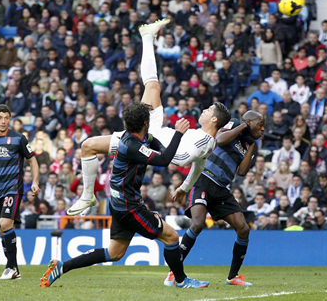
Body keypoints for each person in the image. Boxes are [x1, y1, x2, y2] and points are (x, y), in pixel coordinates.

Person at [67, 19, 231, 216]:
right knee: (153, 86)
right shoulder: (206, 141)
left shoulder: (204, 140)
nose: (204, 110)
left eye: (209, 110)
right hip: (155, 131)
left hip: (146, 138)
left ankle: (87, 196)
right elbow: (199, 166)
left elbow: (180, 159)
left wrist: (163, 140)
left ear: (214, 120)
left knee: (88, 145)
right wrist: (185, 188)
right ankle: (147, 35)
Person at [40, 103, 209, 288]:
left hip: (120, 204)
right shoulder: (132, 146)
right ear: (145, 122)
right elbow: (163, 160)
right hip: (130, 208)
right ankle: (181, 281)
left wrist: (162, 148)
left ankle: (62, 267)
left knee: (114, 253)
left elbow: (154, 142)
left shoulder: (136, 136)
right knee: (171, 237)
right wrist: (178, 134)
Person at [169, 110, 264, 287]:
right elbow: (220, 140)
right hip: (204, 179)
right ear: (250, 122)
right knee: (197, 224)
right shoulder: (235, 123)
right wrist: (244, 125)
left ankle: (232, 277)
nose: (263, 129)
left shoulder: (249, 144)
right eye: (260, 125)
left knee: (243, 229)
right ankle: (174, 273)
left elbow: (242, 172)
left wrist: (251, 145)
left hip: (221, 189)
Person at [0, 105, 40, 280]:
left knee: (5, 223)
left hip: (13, 189)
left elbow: (33, 161)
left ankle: (10, 267)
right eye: (0, 117)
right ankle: (14, 269)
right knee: (1, 230)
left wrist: (34, 181)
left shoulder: (19, 139)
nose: (3, 121)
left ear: (9, 119)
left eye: (6, 118)